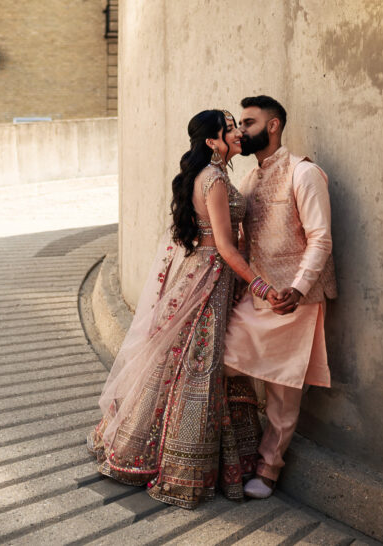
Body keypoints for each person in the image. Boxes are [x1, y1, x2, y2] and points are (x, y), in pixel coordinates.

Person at [88, 109, 279, 508]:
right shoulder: (213, 181)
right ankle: (178, 466)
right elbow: (225, 248)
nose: (238, 135)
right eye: (230, 130)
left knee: (187, 361)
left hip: (208, 274)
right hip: (210, 278)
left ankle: (214, 456)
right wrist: (260, 284)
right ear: (212, 142)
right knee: (198, 365)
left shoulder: (215, 177)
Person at [224, 95, 337, 499]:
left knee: (282, 391)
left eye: (249, 122)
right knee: (221, 359)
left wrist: (299, 287)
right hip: (255, 298)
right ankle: (229, 452)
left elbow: (320, 237)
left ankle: (269, 469)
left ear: (273, 126)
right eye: (239, 123)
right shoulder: (250, 180)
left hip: (295, 301)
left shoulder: (303, 173)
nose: (241, 130)